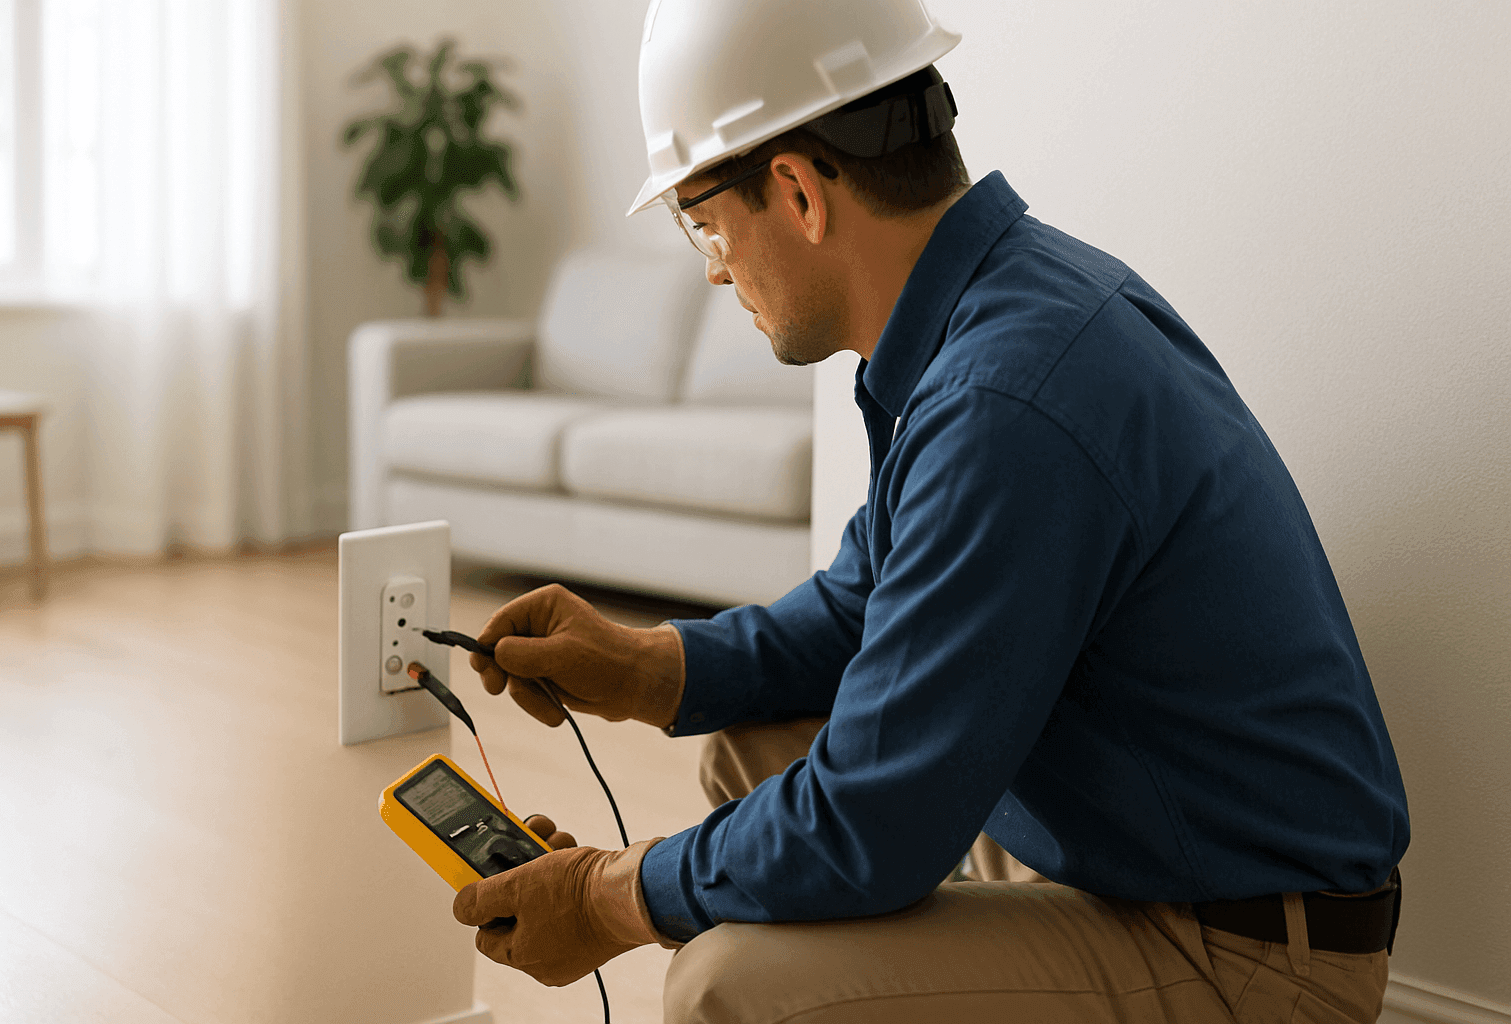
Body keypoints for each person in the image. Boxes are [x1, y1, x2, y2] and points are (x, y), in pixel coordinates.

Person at [448, 1, 1410, 1020]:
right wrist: (650, 667)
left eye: (704, 219)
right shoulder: (999, 314)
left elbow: (871, 816)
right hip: (1134, 853)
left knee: (728, 989)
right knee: (752, 744)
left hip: (1247, 952)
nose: (716, 263)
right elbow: (862, 608)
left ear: (798, 192)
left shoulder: (1007, 400)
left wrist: (606, 894)